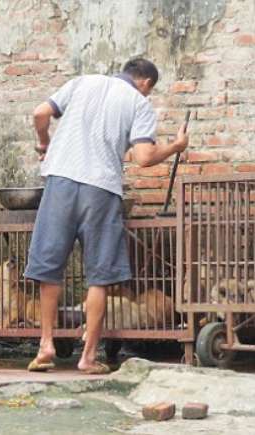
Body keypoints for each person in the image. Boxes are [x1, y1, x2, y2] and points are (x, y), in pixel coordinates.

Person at [24, 58, 189, 374]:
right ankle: (87, 358)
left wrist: (44, 142)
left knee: (49, 267)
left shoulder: (82, 82)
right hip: (100, 189)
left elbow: (40, 113)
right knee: (99, 275)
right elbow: (143, 158)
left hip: (60, 179)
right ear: (145, 83)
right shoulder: (138, 103)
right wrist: (175, 146)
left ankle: (45, 345)